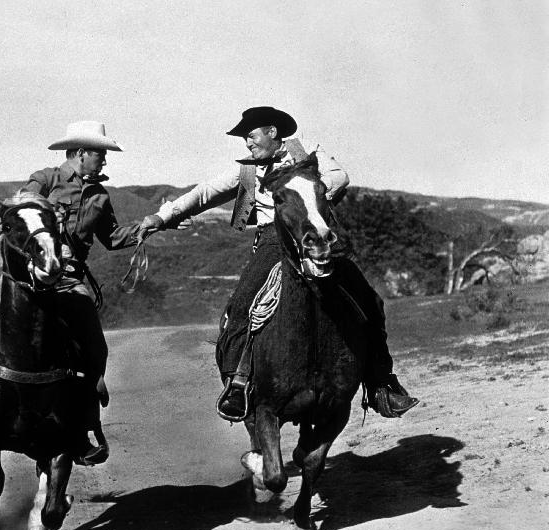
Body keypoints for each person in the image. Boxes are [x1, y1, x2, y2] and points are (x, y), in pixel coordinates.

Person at [137, 106, 418, 421]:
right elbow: (206, 193)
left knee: (369, 301)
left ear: (273, 132)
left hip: (314, 232)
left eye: (251, 136)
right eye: (245, 138)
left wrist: (300, 192)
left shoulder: (305, 149)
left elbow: (339, 178)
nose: (248, 144)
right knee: (241, 306)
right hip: (274, 241)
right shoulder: (247, 170)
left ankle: (382, 383)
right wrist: (163, 216)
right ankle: (238, 383)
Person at [20, 120, 141, 465]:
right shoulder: (45, 179)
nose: (103, 161)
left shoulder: (100, 196)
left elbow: (114, 238)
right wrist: (47, 215)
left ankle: (86, 423)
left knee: (94, 345)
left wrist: (154, 224)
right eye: (99, 155)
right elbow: (24, 207)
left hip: (70, 278)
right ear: (79, 153)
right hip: (29, 272)